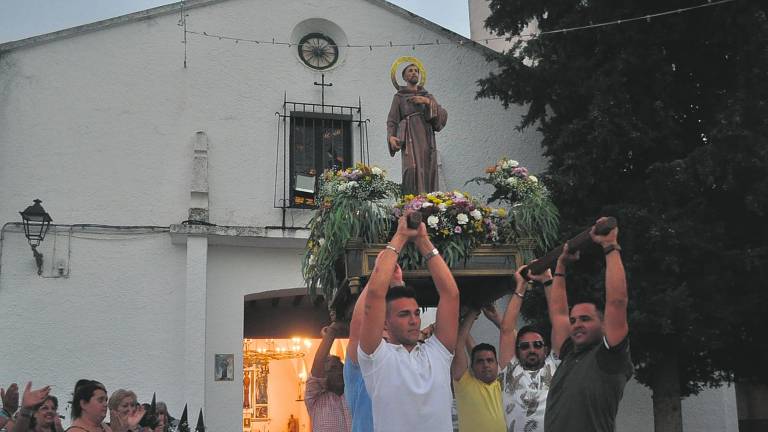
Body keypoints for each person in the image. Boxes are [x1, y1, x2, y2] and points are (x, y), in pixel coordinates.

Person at [358, 214, 459, 432]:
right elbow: (375, 294)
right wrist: (400, 237)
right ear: (385, 324)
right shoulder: (376, 358)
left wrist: (423, 241)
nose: (414, 320)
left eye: (416, 313)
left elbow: (450, 295)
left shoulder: (437, 354)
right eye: (404, 315)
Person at [544, 218, 633, 432]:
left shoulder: (609, 356)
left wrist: (610, 246)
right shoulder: (569, 354)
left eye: (585, 319)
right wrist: (560, 266)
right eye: (574, 320)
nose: (575, 325)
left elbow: (617, 301)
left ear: (604, 325)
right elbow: (558, 313)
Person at [497, 266, 563, 432]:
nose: (532, 349)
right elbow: (506, 330)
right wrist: (521, 286)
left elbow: (558, 322)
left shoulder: (555, 366)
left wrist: (548, 281)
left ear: (546, 349)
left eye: (537, 344)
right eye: (525, 346)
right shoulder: (510, 371)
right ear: (517, 350)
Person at [344, 254, 402, 432]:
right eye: (379, 328)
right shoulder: (360, 365)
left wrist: (398, 285)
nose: (382, 332)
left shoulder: (402, 361)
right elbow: (358, 326)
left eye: (386, 328)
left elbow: (404, 320)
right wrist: (377, 276)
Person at [387, 63, 447, 194]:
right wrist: (391, 136)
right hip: (409, 137)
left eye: (416, 71)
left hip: (426, 137)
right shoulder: (399, 97)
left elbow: (442, 114)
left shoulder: (427, 96)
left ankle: (428, 202)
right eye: (410, 71)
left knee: (427, 168)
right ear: (404, 76)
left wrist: (426, 102)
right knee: (411, 168)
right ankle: (411, 203)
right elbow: (392, 120)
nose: (414, 73)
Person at [450, 308, 506, 432]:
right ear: (472, 366)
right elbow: (458, 346)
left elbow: (514, 341)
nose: (486, 365)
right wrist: (473, 311)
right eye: (480, 362)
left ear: (497, 365)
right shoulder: (464, 383)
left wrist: (495, 318)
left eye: (490, 360)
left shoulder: (503, 384)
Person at [305, 321, 352, 432]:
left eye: (340, 367)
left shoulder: (352, 394)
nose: (339, 372)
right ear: (323, 377)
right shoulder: (314, 398)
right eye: (332, 369)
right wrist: (331, 332)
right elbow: (319, 362)